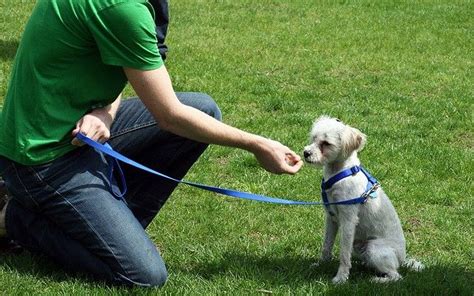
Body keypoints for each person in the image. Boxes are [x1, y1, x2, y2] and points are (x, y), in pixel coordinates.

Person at [0, 0, 303, 287]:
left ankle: (114, 226)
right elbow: (170, 116)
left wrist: (106, 112)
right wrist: (258, 144)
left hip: (78, 128)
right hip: (43, 157)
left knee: (204, 109)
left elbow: (119, 62)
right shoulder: (122, 9)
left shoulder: (128, 8)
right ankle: (13, 216)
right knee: (144, 274)